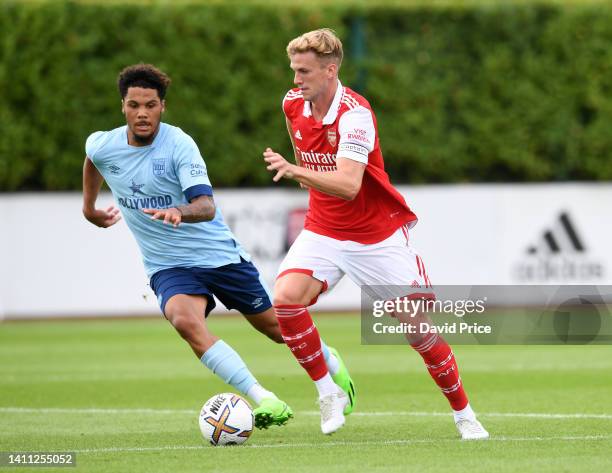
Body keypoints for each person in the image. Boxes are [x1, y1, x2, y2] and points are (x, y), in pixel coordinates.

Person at [82, 63, 348, 430]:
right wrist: (89, 208)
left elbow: (205, 207)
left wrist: (178, 211)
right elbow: (94, 160)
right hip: (166, 263)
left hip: (218, 256)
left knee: (276, 329)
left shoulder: (179, 145)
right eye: (133, 105)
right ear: (122, 106)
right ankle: (264, 397)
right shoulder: (103, 143)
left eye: (150, 105)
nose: (142, 113)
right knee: (184, 321)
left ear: (163, 106)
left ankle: (330, 361)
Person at [263, 29, 489, 439]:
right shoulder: (291, 104)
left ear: (331, 71)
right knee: (285, 299)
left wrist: (297, 171)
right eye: (294, 70)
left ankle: (464, 414)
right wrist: (302, 173)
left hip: (374, 237)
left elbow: (349, 184)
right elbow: (312, 171)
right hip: (324, 230)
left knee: (418, 330)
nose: (296, 80)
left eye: (305, 71)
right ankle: (328, 391)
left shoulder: (356, 114)